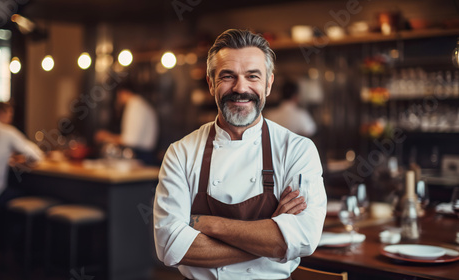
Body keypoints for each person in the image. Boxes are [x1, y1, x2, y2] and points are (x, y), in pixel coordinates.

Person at [153, 29, 326, 279]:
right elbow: (170, 246)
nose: (240, 87)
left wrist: (207, 223)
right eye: (227, 76)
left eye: (252, 76)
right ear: (211, 83)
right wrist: (270, 233)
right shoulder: (181, 153)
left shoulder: (298, 150)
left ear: (268, 84)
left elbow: (303, 240)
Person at [94, 82, 159, 165]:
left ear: (123, 93)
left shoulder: (134, 105)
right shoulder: (141, 104)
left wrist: (106, 136)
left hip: (141, 156)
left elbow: (130, 140)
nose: (118, 100)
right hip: (147, 155)